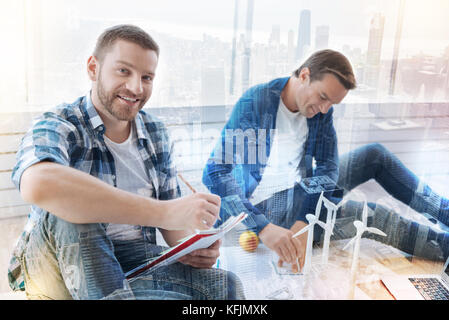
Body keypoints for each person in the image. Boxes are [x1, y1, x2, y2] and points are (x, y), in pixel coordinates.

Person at [8, 24, 244, 300]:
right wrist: (164, 211)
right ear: (93, 69)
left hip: (131, 261)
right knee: (76, 207)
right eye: (123, 71)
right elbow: (38, 184)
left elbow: (173, 227)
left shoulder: (155, 132)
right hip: (56, 265)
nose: (136, 87)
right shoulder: (60, 123)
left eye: (147, 77)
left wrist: (193, 246)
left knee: (225, 286)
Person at [202, 49, 449, 273]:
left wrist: (304, 220)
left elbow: (328, 167)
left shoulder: (320, 112)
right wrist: (264, 228)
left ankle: (446, 212)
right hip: (263, 207)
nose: (324, 108)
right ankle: (444, 247)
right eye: (323, 97)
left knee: (374, 155)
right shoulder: (256, 102)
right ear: (305, 75)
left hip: (302, 191)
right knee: (367, 215)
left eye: (331, 103)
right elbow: (214, 172)